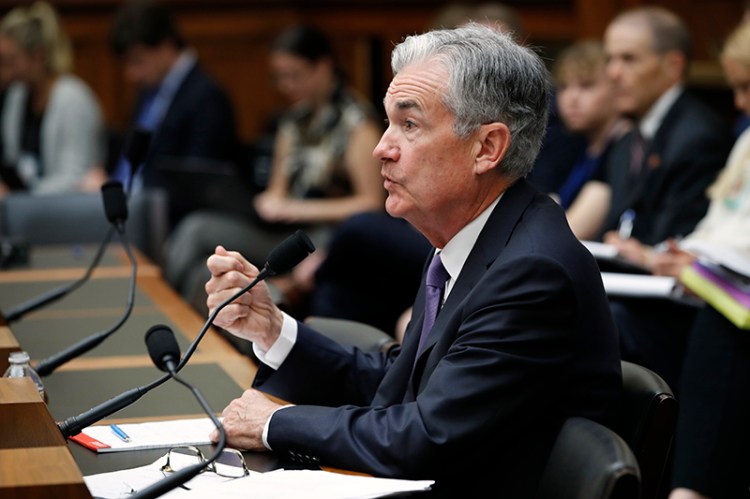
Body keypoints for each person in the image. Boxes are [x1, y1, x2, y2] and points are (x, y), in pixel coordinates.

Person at [204, 24, 621, 498]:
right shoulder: (470, 237)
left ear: (487, 147)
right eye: (387, 123)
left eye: (409, 124)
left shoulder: (530, 272)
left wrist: (274, 423)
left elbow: (424, 436)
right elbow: (402, 386)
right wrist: (273, 330)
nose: (383, 147)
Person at [164, 24, 384, 314]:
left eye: (294, 75)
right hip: (281, 231)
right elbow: (278, 192)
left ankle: (260, 322)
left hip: (326, 238)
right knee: (197, 236)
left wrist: (293, 209)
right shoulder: (292, 121)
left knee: (198, 236)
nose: (286, 85)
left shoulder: (357, 124)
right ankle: (170, 310)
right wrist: (265, 203)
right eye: (279, 77)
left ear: (323, 66)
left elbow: (371, 204)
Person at [590, 7, 733, 392]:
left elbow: (677, 246)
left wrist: (640, 252)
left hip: (671, 316)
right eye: (609, 60)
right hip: (629, 296)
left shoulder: (698, 137)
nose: (613, 73)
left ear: (673, 66)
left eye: (628, 59)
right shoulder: (627, 141)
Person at [105, 0, 241, 227]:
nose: (131, 75)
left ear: (166, 46)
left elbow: (195, 184)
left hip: (169, 218)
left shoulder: (207, 97)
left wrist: (136, 199)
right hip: (133, 208)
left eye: (137, 61)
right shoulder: (148, 91)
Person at [0, 1, 105, 197]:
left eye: (11, 60)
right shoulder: (16, 96)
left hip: (66, 212)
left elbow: (78, 178)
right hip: (26, 211)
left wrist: (23, 195)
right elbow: (13, 163)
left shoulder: (73, 100)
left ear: (38, 56)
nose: (4, 70)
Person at [550, 40, 629, 234]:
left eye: (586, 86)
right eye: (564, 87)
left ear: (616, 88)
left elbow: (571, 232)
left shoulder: (625, 147)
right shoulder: (577, 144)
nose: (572, 98)